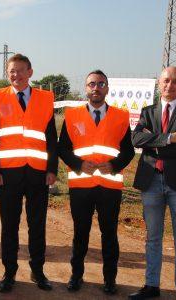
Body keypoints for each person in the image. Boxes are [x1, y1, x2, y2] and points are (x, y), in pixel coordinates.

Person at [129, 67, 176, 300]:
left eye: (175, 81)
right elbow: (137, 139)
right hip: (151, 181)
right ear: (158, 84)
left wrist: (156, 145)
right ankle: (152, 286)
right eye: (165, 81)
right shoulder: (148, 111)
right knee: (153, 237)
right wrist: (170, 139)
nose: (169, 85)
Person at [58, 69, 135, 295]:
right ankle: (76, 276)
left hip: (109, 186)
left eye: (101, 84)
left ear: (107, 88)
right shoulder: (72, 115)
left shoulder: (121, 116)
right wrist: (78, 164)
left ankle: (110, 280)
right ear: (86, 88)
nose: (96, 88)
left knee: (109, 234)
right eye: (92, 84)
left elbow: (129, 151)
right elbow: (63, 148)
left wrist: (114, 165)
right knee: (80, 233)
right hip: (81, 185)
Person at [0, 53, 58, 293]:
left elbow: (51, 138)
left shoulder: (46, 98)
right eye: (11, 72)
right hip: (7, 174)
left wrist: (52, 169)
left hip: (38, 173)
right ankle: (9, 272)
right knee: (10, 226)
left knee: (37, 225)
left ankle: (38, 270)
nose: (15, 75)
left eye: (20, 70)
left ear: (30, 72)